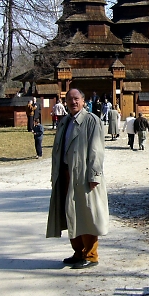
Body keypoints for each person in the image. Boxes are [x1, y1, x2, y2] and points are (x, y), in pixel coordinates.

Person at [46, 88, 108, 269]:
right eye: (70, 99)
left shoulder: (91, 121)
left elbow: (97, 150)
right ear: (65, 102)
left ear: (83, 100)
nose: (73, 102)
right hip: (66, 173)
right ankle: (78, 252)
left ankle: (91, 255)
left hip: (84, 175)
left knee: (86, 213)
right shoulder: (64, 122)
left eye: (76, 99)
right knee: (70, 213)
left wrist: (94, 175)